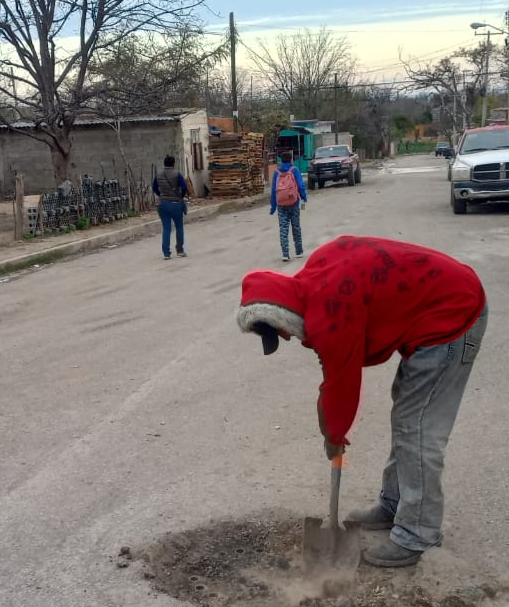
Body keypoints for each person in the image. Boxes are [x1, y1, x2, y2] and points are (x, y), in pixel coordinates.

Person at [235, 236, 487, 568]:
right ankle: (395, 503)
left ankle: (419, 532)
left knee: (417, 426)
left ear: (281, 315)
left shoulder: (329, 312)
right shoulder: (316, 280)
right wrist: (329, 420)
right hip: (437, 303)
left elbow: (343, 382)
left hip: (453, 314)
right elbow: (333, 369)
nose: (286, 338)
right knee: (407, 417)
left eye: (281, 332)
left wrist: (334, 436)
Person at [270, 151, 307, 262]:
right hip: (294, 202)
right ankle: (299, 251)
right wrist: (304, 197)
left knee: (283, 228)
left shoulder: (276, 172)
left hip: (281, 204)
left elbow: (273, 190)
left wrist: (273, 207)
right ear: (291, 160)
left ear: (281, 160)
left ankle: (285, 254)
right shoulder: (294, 170)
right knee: (296, 227)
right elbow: (300, 185)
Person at [152, 155, 189, 259]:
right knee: (179, 227)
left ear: (164, 163)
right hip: (175, 204)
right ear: (173, 164)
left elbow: (154, 187)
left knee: (166, 228)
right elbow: (184, 187)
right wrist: (180, 196)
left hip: (163, 204)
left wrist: (160, 195)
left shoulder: (158, 174)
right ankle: (180, 250)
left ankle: (166, 253)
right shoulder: (177, 174)